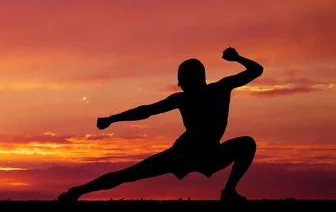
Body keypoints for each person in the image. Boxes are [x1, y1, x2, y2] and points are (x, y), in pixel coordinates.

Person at [57, 47, 263, 202]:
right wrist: (113, 119)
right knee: (131, 173)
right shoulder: (188, 97)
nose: (183, 86)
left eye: (184, 82)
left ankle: (228, 192)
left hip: (209, 153)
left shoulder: (217, 89)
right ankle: (78, 191)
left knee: (247, 144)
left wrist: (237, 58)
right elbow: (146, 111)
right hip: (184, 153)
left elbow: (256, 70)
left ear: (191, 80)